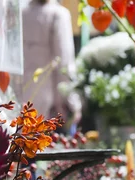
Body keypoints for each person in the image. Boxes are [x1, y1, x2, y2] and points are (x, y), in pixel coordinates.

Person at [22, 0, 82, 128]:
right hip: (49, 101)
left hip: (22, 94)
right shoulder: (59, 14)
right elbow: (64, 62)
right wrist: (72, 101)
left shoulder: (21, 14)